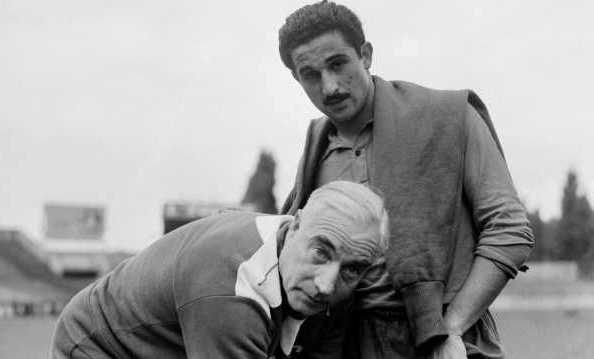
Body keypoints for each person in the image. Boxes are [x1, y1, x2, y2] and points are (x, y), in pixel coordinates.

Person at [278, 2, 534, 358]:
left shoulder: (450, 117)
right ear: (297, 78)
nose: (330, 86)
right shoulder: (314, 153)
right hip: (342, 343)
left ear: (365, 55)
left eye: (338, 64)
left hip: (444, 336)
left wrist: (453, 328)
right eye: (310, 74)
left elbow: (509, 230)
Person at [50, 181, 390, 359]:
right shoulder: (231, 287)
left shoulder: (339, 289)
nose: (327, 285)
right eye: (320, 251)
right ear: (296, 225)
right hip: (102, 346)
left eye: (353, 269)